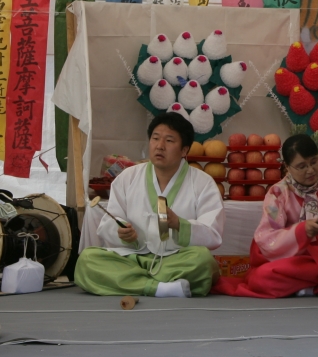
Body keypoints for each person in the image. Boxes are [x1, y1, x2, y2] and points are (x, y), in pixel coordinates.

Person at [74, 111, 223, 298]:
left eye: (169, 141)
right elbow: (109, 222)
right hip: (133, 258)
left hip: (175, 259)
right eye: (155, 138)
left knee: (202, 262)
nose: (160, 146)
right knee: (88, 260)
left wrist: (180, 224)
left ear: (184, 150)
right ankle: (161, 287)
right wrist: (121, 233)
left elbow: (213, 235)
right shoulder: (128, 177)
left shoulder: (203, 182)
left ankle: (134, 283)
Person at [215, 134, 318, 299]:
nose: (310, 170)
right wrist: (301, 231)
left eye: (314, 162)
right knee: (262, 277)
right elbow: (267, 237)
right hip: (296, 257)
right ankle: (317, 284)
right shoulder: (278, 193)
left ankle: (307, 285)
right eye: (301, 166)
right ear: (287, 167)